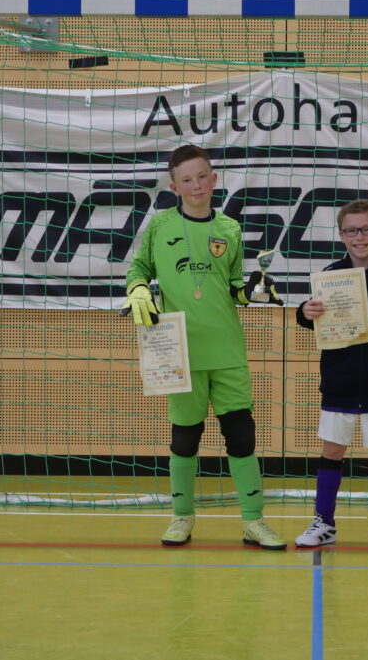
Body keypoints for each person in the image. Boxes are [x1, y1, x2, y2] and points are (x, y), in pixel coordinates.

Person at [122, 143, 287, 550]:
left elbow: (233, 288)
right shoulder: (160, 225)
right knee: (185, 439)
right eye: (187, 180)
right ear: (174, 187)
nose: (196, 185)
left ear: (214, 180)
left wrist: (254, 292)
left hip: (227, 351)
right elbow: (139, 267)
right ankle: (181, 517)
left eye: (202, 177)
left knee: (242, 437)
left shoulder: (230, 229)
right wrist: (138, 288)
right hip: (179, 351)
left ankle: (253, 521)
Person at [293, 200, 368, 556]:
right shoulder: (331, 275)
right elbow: (311, 317)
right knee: (332, 452)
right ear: (341, 235)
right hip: (339, 382)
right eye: (351, 230)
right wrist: (305, 311)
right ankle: (324, 522)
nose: (358, 237)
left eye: (365, 229)